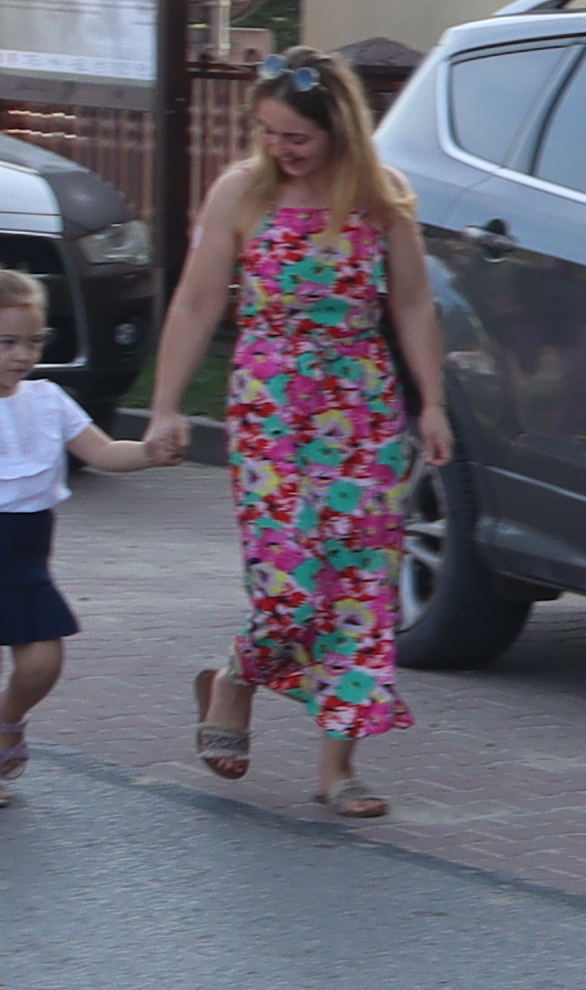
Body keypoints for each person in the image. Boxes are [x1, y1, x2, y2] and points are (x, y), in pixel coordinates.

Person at [134, 47, 453, 820]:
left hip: (362, 410)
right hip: (270, 410)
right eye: (268, 132)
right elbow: (196, 303)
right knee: (289, 587)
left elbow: (413, 303)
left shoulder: (382, 199)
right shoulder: (241, 192)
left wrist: (433, 402)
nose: (279, 148)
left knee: (359, 586)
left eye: (295, 136)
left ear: (338, 129)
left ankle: (338, 768)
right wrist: (166, 406)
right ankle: (235, 679)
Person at [0, 258, 167, 808]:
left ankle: (9, 718)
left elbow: (101, 451)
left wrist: (149, 452)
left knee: (44, 661)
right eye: (7, 342)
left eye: (33, 342)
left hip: (26, 560)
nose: (22, 355)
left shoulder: (48, 400)